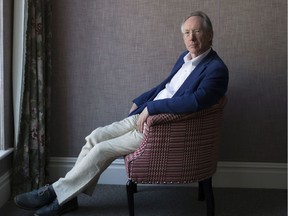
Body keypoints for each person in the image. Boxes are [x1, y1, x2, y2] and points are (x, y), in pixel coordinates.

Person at [14, 11, 229, 216]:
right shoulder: (185, 57)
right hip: (146, 114)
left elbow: (196, 101)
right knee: (95, 136)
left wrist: (152, 108)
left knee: (101, 150)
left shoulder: (216, 69)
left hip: (161, 127)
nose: (191, 37)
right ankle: (67, 199)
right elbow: (167, 86)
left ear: (210, 35)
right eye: (187, 32)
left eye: (197, 32)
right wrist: (141, 100)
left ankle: (54, 193)